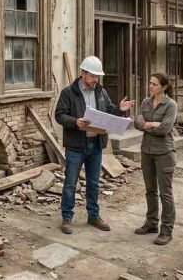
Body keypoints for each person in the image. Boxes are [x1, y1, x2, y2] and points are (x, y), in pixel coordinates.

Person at [54, 55, 133, 234]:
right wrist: (75, 122)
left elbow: (108, 110)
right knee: (70, 183)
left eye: (97, 77)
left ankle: (93, 216)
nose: (95, 80)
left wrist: (119, 109)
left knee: (94, 183)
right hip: (76, 145)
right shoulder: (68, 92)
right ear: (83, 73)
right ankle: (67, 218)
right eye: (92, 76)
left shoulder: (101, 91)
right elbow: (59, 115)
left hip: (96, 144)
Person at [133, 72, 178, 245]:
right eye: (150, 83)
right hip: (147, 151)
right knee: (150, 190)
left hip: (164, 153)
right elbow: (137, 121)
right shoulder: (146, 102)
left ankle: (167, 230)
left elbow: (165, 128)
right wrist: (149, 124)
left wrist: (147, 124)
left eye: (154, 84)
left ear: (164, 87)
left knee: (165, 193)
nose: (150, 86)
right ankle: (151, 223)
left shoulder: (170, 105)